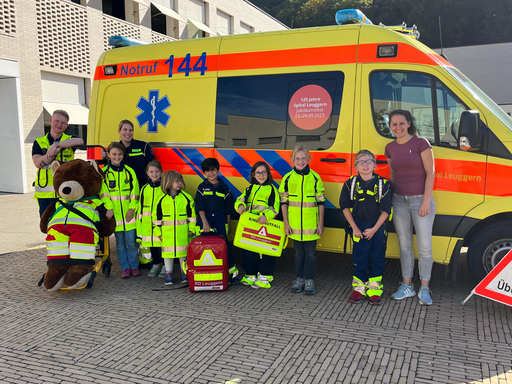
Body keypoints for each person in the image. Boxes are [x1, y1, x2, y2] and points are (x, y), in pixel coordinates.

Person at [385, 109, 436, 306]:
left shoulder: (420, 143)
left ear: (408, 124)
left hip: (420, 200)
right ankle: (407, 285)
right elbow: (393, 176)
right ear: (390, 127)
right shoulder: (389, 148)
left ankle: (424, 287)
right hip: (399, 201)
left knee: (424, 246)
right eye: (394, 124)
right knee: (404, 245)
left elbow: (430, 173)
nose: (398, 127)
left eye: (401, 123)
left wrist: (425, 201)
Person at [340, 150, 392, 305]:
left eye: (368, 161)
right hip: (358, 227)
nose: (365, 165)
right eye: (361, 162)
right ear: (355, 166)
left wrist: (375, 229)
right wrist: (354, 228)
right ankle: (359, 288)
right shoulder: (350, 184)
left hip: (377, 227)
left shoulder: (384, 184)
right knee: (359, 257)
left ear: (375, 165)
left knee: (377, 258)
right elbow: (344, 207)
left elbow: (386, 211)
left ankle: (374, 289)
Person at [279, 145, 325, 295]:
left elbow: (321, 202)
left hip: (311, 224)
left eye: (304, 158)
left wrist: (321, 223)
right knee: (298, 254)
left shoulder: (315, 178)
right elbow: (284, 203)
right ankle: (299, 278)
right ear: (292, 159)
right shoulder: (287, 178)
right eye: (297, 158)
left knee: (311, 254)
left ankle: (309, 279)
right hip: (294, 225)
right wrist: (286, 223)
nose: (300, 161)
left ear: (309, 159)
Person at [235, 161, 280, 289]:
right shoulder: (249, 189)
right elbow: (240, 199)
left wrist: (266, 216)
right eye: (258, 173)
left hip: (265, 225)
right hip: (250, 225)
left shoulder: (272, 190)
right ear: (253, 175)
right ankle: (250, 275)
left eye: (264, 172)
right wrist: (240, 206)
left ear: (268, 174)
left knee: (265, 252)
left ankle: (265, 277)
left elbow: (275, 207)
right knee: (249, 252)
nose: (261, 175)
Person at [32, 110, 84, 217]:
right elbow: (37, 163)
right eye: (57, 121)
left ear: (66, 126)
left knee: (66, 225)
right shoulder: (39, 142)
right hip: (45, 194)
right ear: (50, 121)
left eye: (63, 123)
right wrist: (52, 154)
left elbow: (80, 142)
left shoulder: (69, 139)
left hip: (65, 192)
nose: (59, 125)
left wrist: (57, 145)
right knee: (47, 227)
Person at [195, 158, 239, 283]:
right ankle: (204, 273)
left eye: (213, 170)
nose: (211, 173)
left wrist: (228, 224)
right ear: (204, 172)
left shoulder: (224, 188)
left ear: (218, 170)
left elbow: (228, 208)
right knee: (204, 246)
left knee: (225, 246)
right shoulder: (201, 187)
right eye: (207, 171)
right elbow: (200, 208)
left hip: (220, 218)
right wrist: (204, 223)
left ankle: (231, 273)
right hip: (205, 219)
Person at [102, 141, 140, 279]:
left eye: (119, 154)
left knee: (131, 242)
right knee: (119, 243)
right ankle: (125, 267)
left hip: (129, 215)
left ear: (123, 155)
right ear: (108, 155)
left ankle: (134, 267)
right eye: (114, 154)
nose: (117, 157)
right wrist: (109, 207)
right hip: (115, 216)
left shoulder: (129, 172)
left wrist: (132, 208)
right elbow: (103, 193)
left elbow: (135, 192)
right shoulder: (105, 173)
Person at [153, 170, 196, 286]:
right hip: (167, 234)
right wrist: (158, 232)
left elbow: (192, 216)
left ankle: (184, 273)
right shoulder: (160, 200)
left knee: (183, 254)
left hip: (183, 233)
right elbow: (156, 218)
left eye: (180, 181)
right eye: (177, 181)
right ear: (168, 182)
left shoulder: (187, 198)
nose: (180, 183)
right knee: (168, 255)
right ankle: (169, 274)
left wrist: (192, 230)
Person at [137, 160, 166, 278]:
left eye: (157, 171)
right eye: (152, 172)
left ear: (161, 172)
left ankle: (165, 265)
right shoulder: (144, 188)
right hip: (148, 223)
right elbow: (140, 208)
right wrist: (140, 226)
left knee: (163, 245)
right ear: (147, 173)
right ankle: (156, 264)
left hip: (161, 223)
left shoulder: (164, 188)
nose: (154, 174)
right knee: (153, 245)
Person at [118, 119, 155, 188]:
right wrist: (105, 157)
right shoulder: (115, 148)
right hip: (121, 188)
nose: (128, 133)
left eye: (130, 130)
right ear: (119, 131)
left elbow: (153, 166)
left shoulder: (143, 146)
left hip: (141, 186)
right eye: (125, 130)